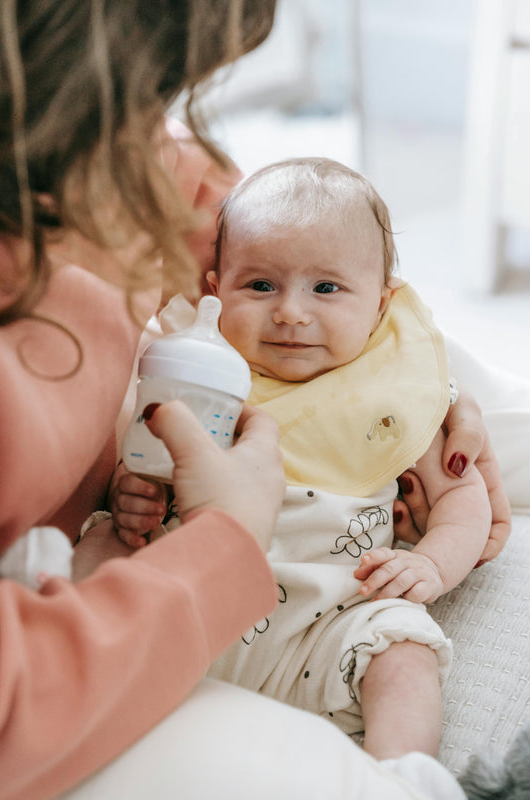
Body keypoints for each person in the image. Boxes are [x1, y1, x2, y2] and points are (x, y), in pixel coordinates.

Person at [0, 2, 512, 799]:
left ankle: (406, 759)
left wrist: (414, 385)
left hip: (333, 590)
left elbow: (290, 227)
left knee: (412, 633)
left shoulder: (129, 154)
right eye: (154, 95)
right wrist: (166, 512)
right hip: (154, 592)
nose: (290, 311)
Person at [112, 157, 491, 761]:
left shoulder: (395, 393)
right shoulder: (197, 373)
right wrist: (131, 496)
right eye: (259, 285)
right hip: (194, 601)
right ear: (214, 291)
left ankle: (403, 776)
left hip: (334, 618)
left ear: (380, 305)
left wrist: (435, 568)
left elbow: (464, 498)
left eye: (326, 288)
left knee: (404, 654)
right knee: (104, 554)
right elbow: (147, 463)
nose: (290, 311)